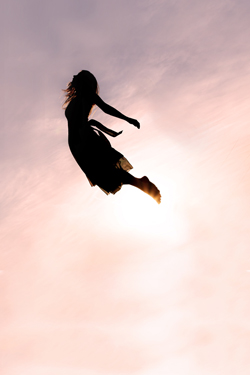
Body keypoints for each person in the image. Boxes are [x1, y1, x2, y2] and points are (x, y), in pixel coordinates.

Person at [63, 70, 161, 204]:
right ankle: (141, 183)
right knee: (103, 176)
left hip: (86, 138)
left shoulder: (88, 95)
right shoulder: (75, 99)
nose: (73, 76)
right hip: (76, 145)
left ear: (83, 81)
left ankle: (141, 184)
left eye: (78, 76)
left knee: (106, 172)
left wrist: (127, 119)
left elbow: (106, 108)